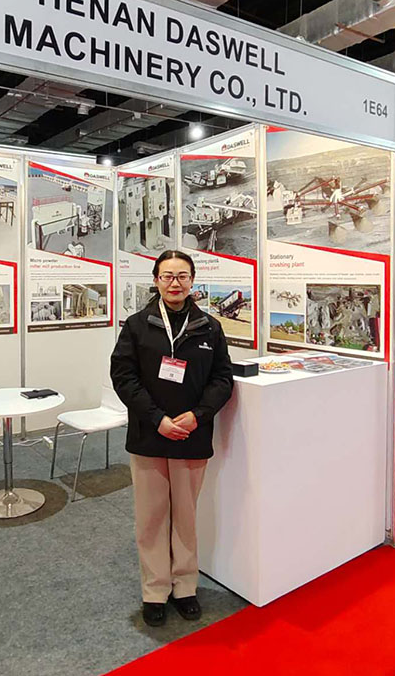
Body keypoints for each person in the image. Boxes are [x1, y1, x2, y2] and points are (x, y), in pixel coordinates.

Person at [110, 250, 234, 627]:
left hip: (191, 436)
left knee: (185, 516)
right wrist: (157, 418)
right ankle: (155, 589)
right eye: (167, 276)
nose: (175, 283)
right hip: (149, 435)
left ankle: (184, 586)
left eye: (182, 276)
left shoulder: (209, 327)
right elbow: (123, 377)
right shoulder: (137, 326)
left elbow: (222, 379)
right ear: (156, 281)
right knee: (151, 517)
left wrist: (198, 416)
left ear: (192, 281)